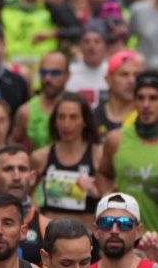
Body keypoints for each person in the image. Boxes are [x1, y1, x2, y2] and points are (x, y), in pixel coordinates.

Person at [99, 70, 158, 235]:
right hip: (123, 238)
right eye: (140, 98)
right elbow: (103, 174)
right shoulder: (116, 139)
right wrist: (107, 199)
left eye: (154, 98)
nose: (146, 105)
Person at [30, 93, 103, 225]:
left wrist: (95, 193)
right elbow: (26, 192)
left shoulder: (99, 157)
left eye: (73, 117)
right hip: (51, 235)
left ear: (85, 120)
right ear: (55, 121)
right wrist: (36, 214)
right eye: (61, 117)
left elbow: (112, 198)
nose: (67, 124)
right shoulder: (40, 157)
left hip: (86, 235)